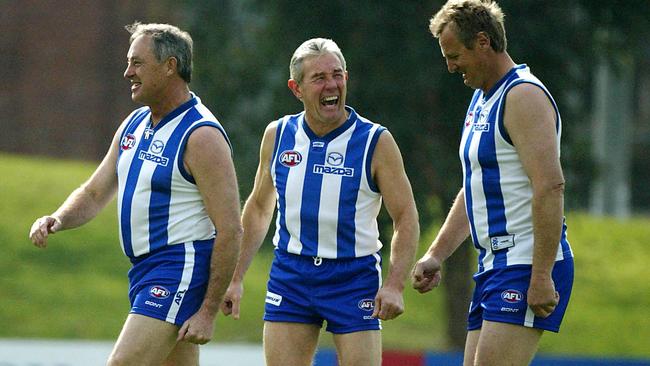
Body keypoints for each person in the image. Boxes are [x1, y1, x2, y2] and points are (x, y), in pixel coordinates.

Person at [28, 22, 242, 366]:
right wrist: (58, 218)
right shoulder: (134, 124)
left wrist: (208, 311)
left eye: (137, 63)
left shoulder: (201, 135)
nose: (128, 72)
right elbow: (95, 191)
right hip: (145, 270)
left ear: (170, 66)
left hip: (178, 269)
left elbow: (231, 228)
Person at [220, 38, 419, 366]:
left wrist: (395, 284)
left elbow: (406, 216)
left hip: (353, 276)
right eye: (319, 78)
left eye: (337, 75)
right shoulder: (278, 134)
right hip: (292, 273)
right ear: (296, 88)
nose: (332, 85)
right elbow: (258, 208)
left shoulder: (375, 141)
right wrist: (235, 277)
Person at [411, 1, 575, 365]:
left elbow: (550, 186)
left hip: (525, 263)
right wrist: (436, 254)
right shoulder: (481, 99)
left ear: (483, 42)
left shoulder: (523, 96)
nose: (450, 66)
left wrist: (541, 274)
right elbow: (476, 186)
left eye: (455, 56)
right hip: (494, 265)